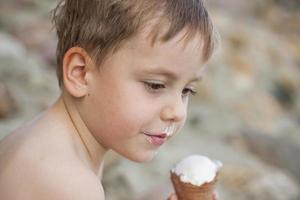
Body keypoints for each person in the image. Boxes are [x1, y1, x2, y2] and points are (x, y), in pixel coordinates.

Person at [0, 0, 218, 199]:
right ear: (81, 73)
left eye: (187, 91)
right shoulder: (69, 183)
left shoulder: (51, 142)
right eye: (155, 85)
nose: (178, 112)